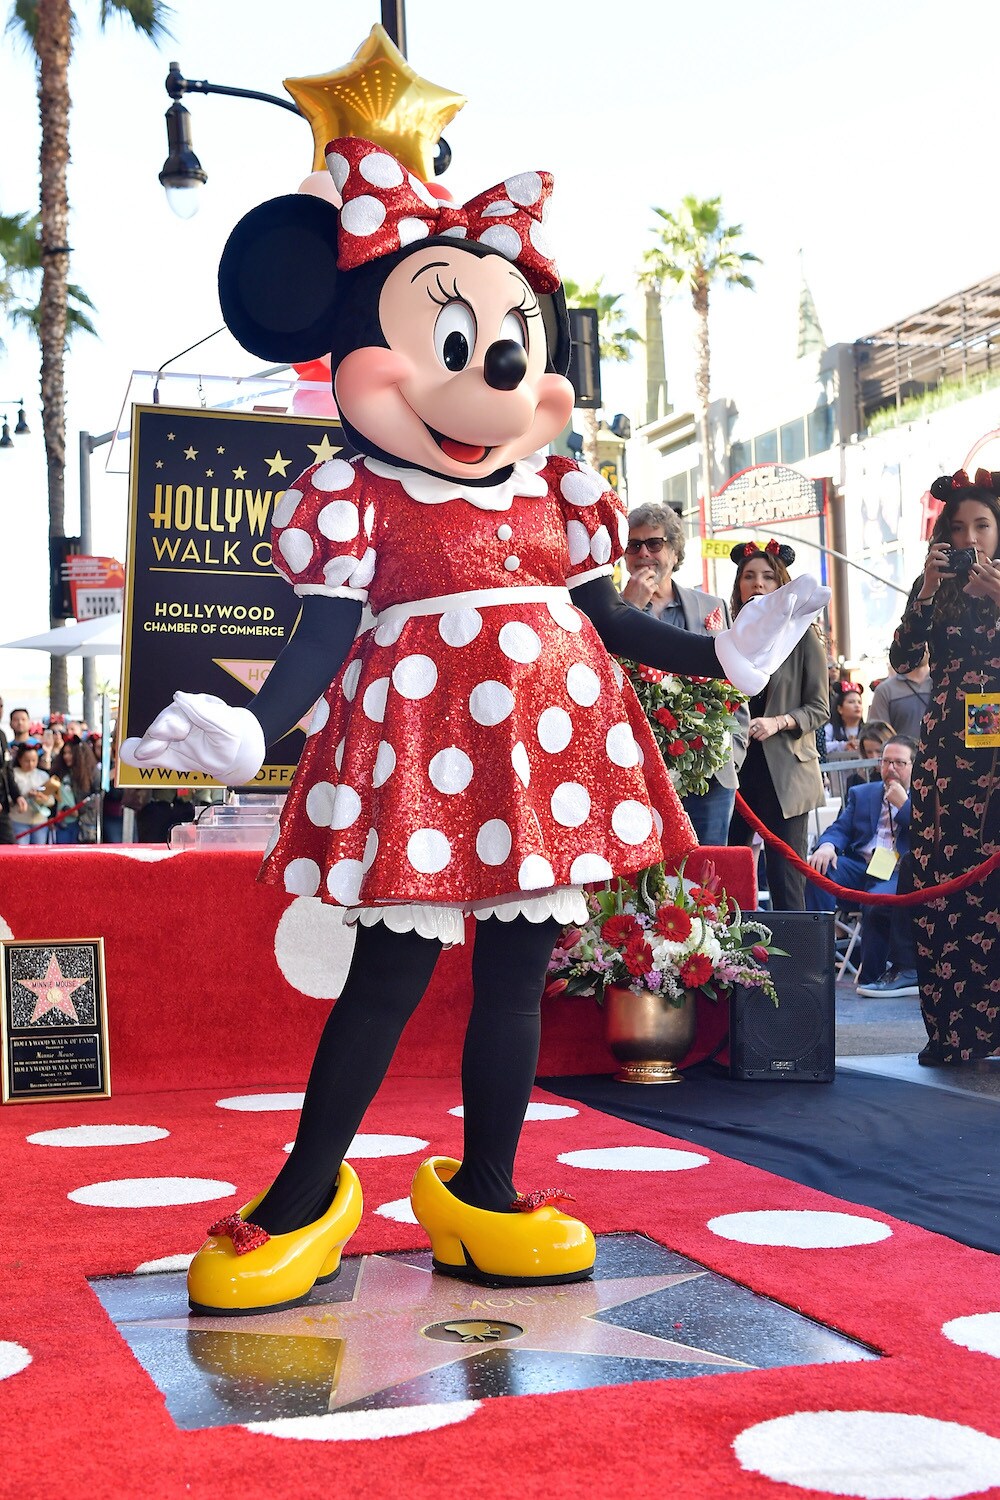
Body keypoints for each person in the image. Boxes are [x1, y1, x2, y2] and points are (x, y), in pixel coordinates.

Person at [122, 136, 828, 1315]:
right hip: (421, 758)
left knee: (512, 981)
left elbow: (607, 622)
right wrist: (255, 730)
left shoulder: (561, 492)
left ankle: (488, 1192)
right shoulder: (357, 496)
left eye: (509, 347)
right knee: (385, 978)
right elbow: (319, 641)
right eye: (454, 345)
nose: (495, 373)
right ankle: (307, 1193)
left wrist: (725, 654)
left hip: (545, 757)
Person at [890, 468, 1000, 1065]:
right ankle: (951, 1032)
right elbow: (904, 657)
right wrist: (928, 591)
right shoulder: (934, 585)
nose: (971, 538)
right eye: (958, 528)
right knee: (940, 879)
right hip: (948, 753)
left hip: (999, 759)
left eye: (982, 524)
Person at [620, 502, 748, 844]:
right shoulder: (611, 611)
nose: (644, 553)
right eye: (634, 545)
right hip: (640, 773)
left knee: (706, 880)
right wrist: (627, 609)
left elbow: (734, 685)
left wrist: (732, 754)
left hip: (710, 774)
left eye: (655, 544)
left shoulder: (712, 607)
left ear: (674, 552)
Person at [727, 540, 829, 909]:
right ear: (738, 585)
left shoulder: (802, 635)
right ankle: (730, 964)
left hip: (785, 771)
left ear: (781, 584)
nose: (757, 583)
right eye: (749, 576)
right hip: (734, 769)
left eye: (768, 577)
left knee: (785, 881)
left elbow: (819, 708)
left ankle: (796, 965)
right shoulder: (726, 634)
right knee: (728, 874)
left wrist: (779, 722)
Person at [806, 734, 918, 993]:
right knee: (818, 871)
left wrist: (904, 806)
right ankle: (817, 959)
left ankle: (872, 977)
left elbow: (928, 832)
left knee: (878, 901)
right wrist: (827, 846)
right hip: (861, 866)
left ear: (914, 766)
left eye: (899, 763)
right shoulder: (862, 793)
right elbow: (840, 829)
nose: (891, 768)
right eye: (886, 761)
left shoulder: (923, 798)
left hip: (899, 873)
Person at [868, 648, 932, 742]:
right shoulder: (885, 690)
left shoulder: (947, 685)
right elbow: (878, 735)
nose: (923, 646)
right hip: (903, 755)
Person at [9, 743, 55, 845]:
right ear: (20, 759)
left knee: (38, 854)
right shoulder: (12, 774)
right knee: (21, 853)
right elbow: (8, 797)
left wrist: (42, 797)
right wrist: (24, 796)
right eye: (27, 761)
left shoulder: (43, 775)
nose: (30, 764)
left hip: (39, 821)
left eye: (34, 760)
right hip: (18, 820)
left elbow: (51, 801)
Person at [845, 720, 894, 793]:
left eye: (879, 751)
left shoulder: (901, 777)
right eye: (869, 752)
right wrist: (863, 779)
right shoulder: (855, 781)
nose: (874, 757)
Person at [823, 681, 864, 755]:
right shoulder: (830, 729)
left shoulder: (867, 730)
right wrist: (843, 745)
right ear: (840, 709)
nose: (857, 705)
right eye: (851, 702)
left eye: (859, 702)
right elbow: (821, 747)